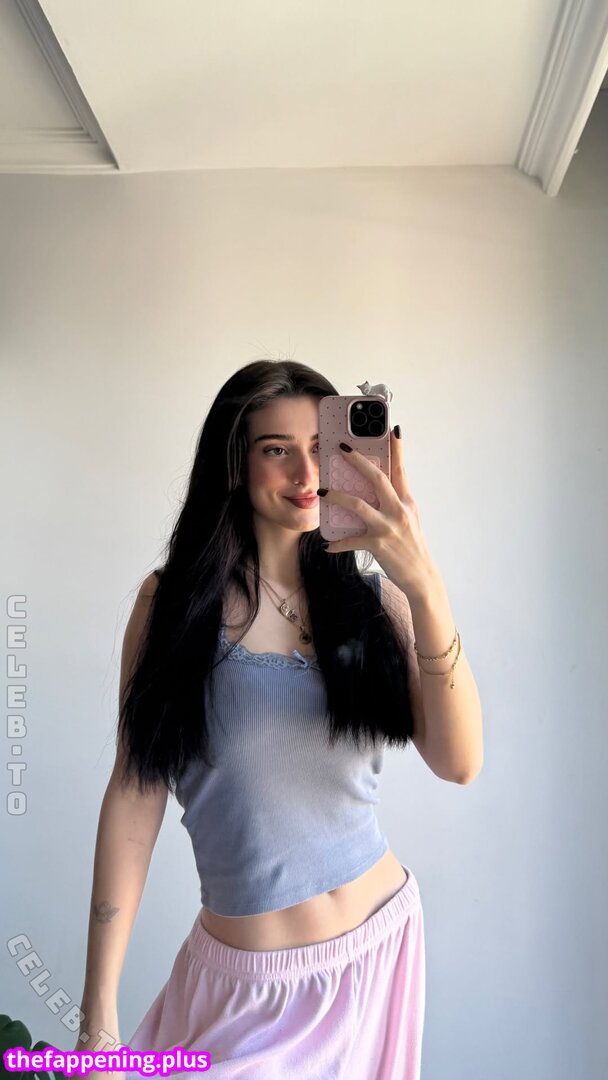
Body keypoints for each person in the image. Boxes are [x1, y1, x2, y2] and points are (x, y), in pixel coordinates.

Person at [76, 360, 483, 1079]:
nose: (306, 472)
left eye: (321, 448)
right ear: (235, 464)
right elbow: (136, 792)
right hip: (249, 992)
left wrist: (422, 583)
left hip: (377, 957)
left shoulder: (376, 604)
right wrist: (98, 1013)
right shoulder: (171, 609)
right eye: (277, 449)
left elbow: (460, 763)